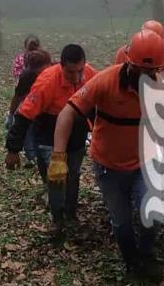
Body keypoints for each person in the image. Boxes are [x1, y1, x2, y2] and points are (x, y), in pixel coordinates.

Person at [53, 30, 164, 279]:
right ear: (128, 62)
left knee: (152, 213)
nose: (146, 77)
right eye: (140, 70)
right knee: (122, 221)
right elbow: (67, 113)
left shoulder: (159, 89)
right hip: (108, 167)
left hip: (142, 164)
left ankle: (146, 256)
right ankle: (131, 262)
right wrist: (59, 156)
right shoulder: (105, 81)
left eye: (152, 71)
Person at [5, 45, 97, 236]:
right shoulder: (47, 81)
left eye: (79, 70)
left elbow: (102, 98)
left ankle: (71, 214)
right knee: (56, 178)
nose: (76, 76)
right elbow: (24, 115)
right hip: (49, 134)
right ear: (61, 65)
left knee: (73, 175)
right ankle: (57, 219)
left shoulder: (90, 74)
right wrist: (13, 149)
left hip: (77, 134)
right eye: (70, 72)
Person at [5, 49, 53, 169]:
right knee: (31, 134)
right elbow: (18, 96)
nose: (42, 75)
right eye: (38, 72)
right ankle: (33, 157)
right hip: (34, 109)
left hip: (54, 113)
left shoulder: (59, 73)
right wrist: (11, 114)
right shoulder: (27, 76)